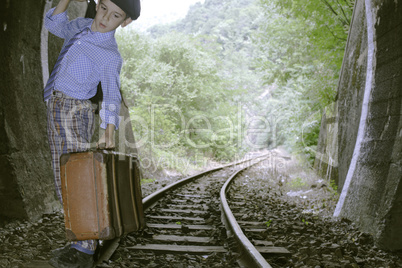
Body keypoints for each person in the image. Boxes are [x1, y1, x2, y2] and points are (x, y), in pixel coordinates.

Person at [44, 0, 140, 267]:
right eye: (103, 8)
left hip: (73, 111)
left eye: (116, 15)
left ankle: (84, 248)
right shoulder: (82, 26)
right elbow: (54, 25)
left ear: (125, 21)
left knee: (73, 177)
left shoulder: (109, 54)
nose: (105, 17)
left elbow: (111, 94)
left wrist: (107, 132)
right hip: (57, 104)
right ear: (97, 5)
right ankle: (81, 240)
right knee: (62, 175)